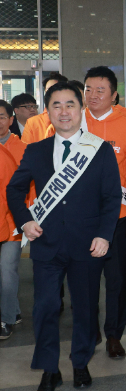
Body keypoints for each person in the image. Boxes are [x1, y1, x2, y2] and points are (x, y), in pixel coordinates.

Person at [7, 81, 121, 391]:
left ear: (81, 109)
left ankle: (80, 362)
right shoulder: (36, 150)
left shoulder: (99, 149)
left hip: (87, 244)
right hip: (47, 244)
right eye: (56, 105)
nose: (64, 111)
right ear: (48, 112)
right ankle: (49, 371)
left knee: (85, 308)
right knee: (45, 307)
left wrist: (103, 235)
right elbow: (15, 190)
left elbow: (112, 198)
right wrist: (25, 221)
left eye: (70, 104)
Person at [78, 66, 126, 359]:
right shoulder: (72, 121)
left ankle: (114, 334)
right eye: (88, 89)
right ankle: (90, 330)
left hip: (117, 216)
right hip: (81, 217)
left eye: (100, 90)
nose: (92, 95)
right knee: (84, 279)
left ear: (114, 95)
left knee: (115, 280)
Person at [0, 101, 28, 339]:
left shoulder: (23, 148)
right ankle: (14, 311)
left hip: (13, 221)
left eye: (1, 116)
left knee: (7, 270)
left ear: (11, 119)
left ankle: (5, 319)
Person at [22, 72, 68, 145]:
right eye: (48, 90)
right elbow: (25, 152)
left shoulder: (74, 120)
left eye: (55, 89)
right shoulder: (33, 123)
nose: (50, 93)